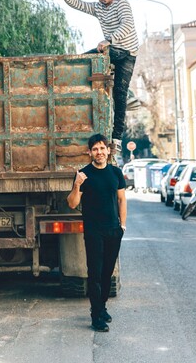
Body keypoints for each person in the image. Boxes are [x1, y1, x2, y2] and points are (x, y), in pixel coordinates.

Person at [60, 0, 139, 156]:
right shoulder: (98, 7)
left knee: (120, 92)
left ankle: (117, 139)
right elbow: (80, 5)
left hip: (127, 53)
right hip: (110, 49)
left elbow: (126, 26)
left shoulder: (122, 4)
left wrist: (108, 40)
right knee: (84, 61)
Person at [67, 133, 127, 332]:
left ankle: (102, 308)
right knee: (94, 273)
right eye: (95, 149)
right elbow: (72, 203)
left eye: (102, 148)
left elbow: (121, 200)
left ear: (108, 151)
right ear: (89, 152)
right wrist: (77, 185)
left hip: (113, 230)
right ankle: (96, 316)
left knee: (107, 273)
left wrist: (123, 226)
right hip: (93, 232)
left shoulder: (116, 173)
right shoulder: (83, 174)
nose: (99, 152)